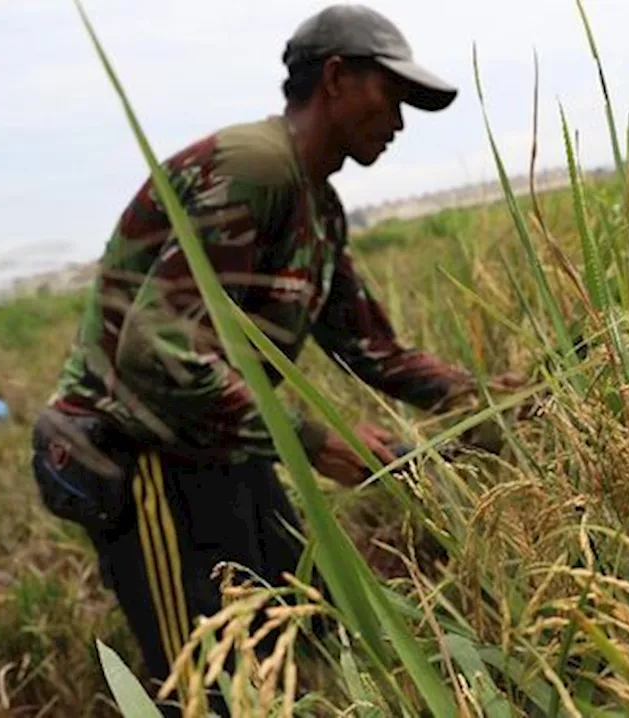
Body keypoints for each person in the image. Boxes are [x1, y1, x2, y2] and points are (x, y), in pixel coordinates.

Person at [27, 4, 519, 713]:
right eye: (392, 95)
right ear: (338, 78)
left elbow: (369, 347)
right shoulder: (253, 169)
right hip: (145, 457)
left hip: (224, 444)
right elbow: (155, 350)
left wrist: (486, 396)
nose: (402, 124)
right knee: (210, 684)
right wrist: (316, 440)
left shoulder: (320, 208)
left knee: (301, 625)